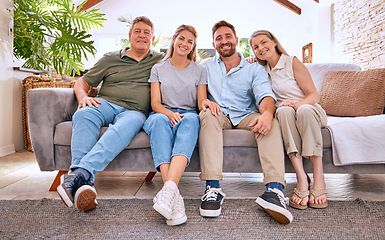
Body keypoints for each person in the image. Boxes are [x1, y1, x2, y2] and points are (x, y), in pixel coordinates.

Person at [57, 16, 164, 212]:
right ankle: (83, 178)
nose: (142, 35)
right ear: (129, 36)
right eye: (137, 31)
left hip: (135, 111)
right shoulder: (110, 59)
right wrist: (83, 98)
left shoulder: (160, 60)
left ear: (153, 38)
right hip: (106, 103)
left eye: (147, 32)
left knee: (126, 126)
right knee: (83, 114)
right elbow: (82, 82)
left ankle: (78, 178)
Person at [198, 20, 293, 224]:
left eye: (228, 36)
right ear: (213, 43)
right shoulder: (204, 67)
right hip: (219, 114)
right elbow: (199, 95)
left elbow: (265, 95)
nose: (224, 41)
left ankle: (274, 191)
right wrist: (204, 103)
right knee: (206, 115)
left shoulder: (254, 68)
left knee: (271, 122)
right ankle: (212, 188)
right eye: (219, 38)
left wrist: (267, 114)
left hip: (245, 114)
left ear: (236, 39)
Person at [143, 24, 219, 226]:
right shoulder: (158, 68)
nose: (185, 44)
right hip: (162, 113)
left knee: (193, 118)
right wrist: (169, 114)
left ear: (193, 46)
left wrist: (208, 103)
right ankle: (174, 196)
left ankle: (168, 192)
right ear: (174, 40)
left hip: (187, 114)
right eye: (182, 39)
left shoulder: (199, 70)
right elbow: (155, 104)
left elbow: (200, 101)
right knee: (159, 120)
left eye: (190, 41)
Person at [249, 30, 328, 209]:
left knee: (303, 110)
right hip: (287, 114)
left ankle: (319, 177)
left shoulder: (291, 61)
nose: (260, 48)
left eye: (263, 42)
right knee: (282, 112)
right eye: (255, 47)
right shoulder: (261, 70)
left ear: (274, 42)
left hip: (310, 110)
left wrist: (296, 105)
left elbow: (314, 95)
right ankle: (301, 177)